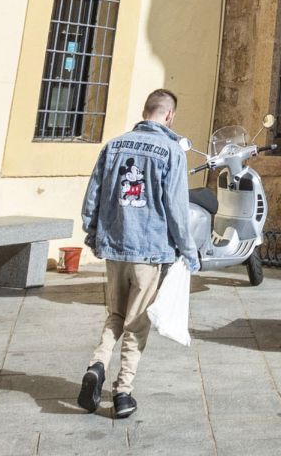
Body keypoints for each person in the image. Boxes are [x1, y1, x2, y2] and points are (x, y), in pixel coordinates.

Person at [78, 88, 199, 420]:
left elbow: (93, 196)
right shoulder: (172, 151)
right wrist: (188, 251)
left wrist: (93, 233)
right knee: (136, 322)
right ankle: (122, 392)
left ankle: (96, 365)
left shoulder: (113, 145)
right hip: (149, 251)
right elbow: (176, 209)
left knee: (115, 316)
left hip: (115, 248)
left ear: (146, 110)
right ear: (169, 115)